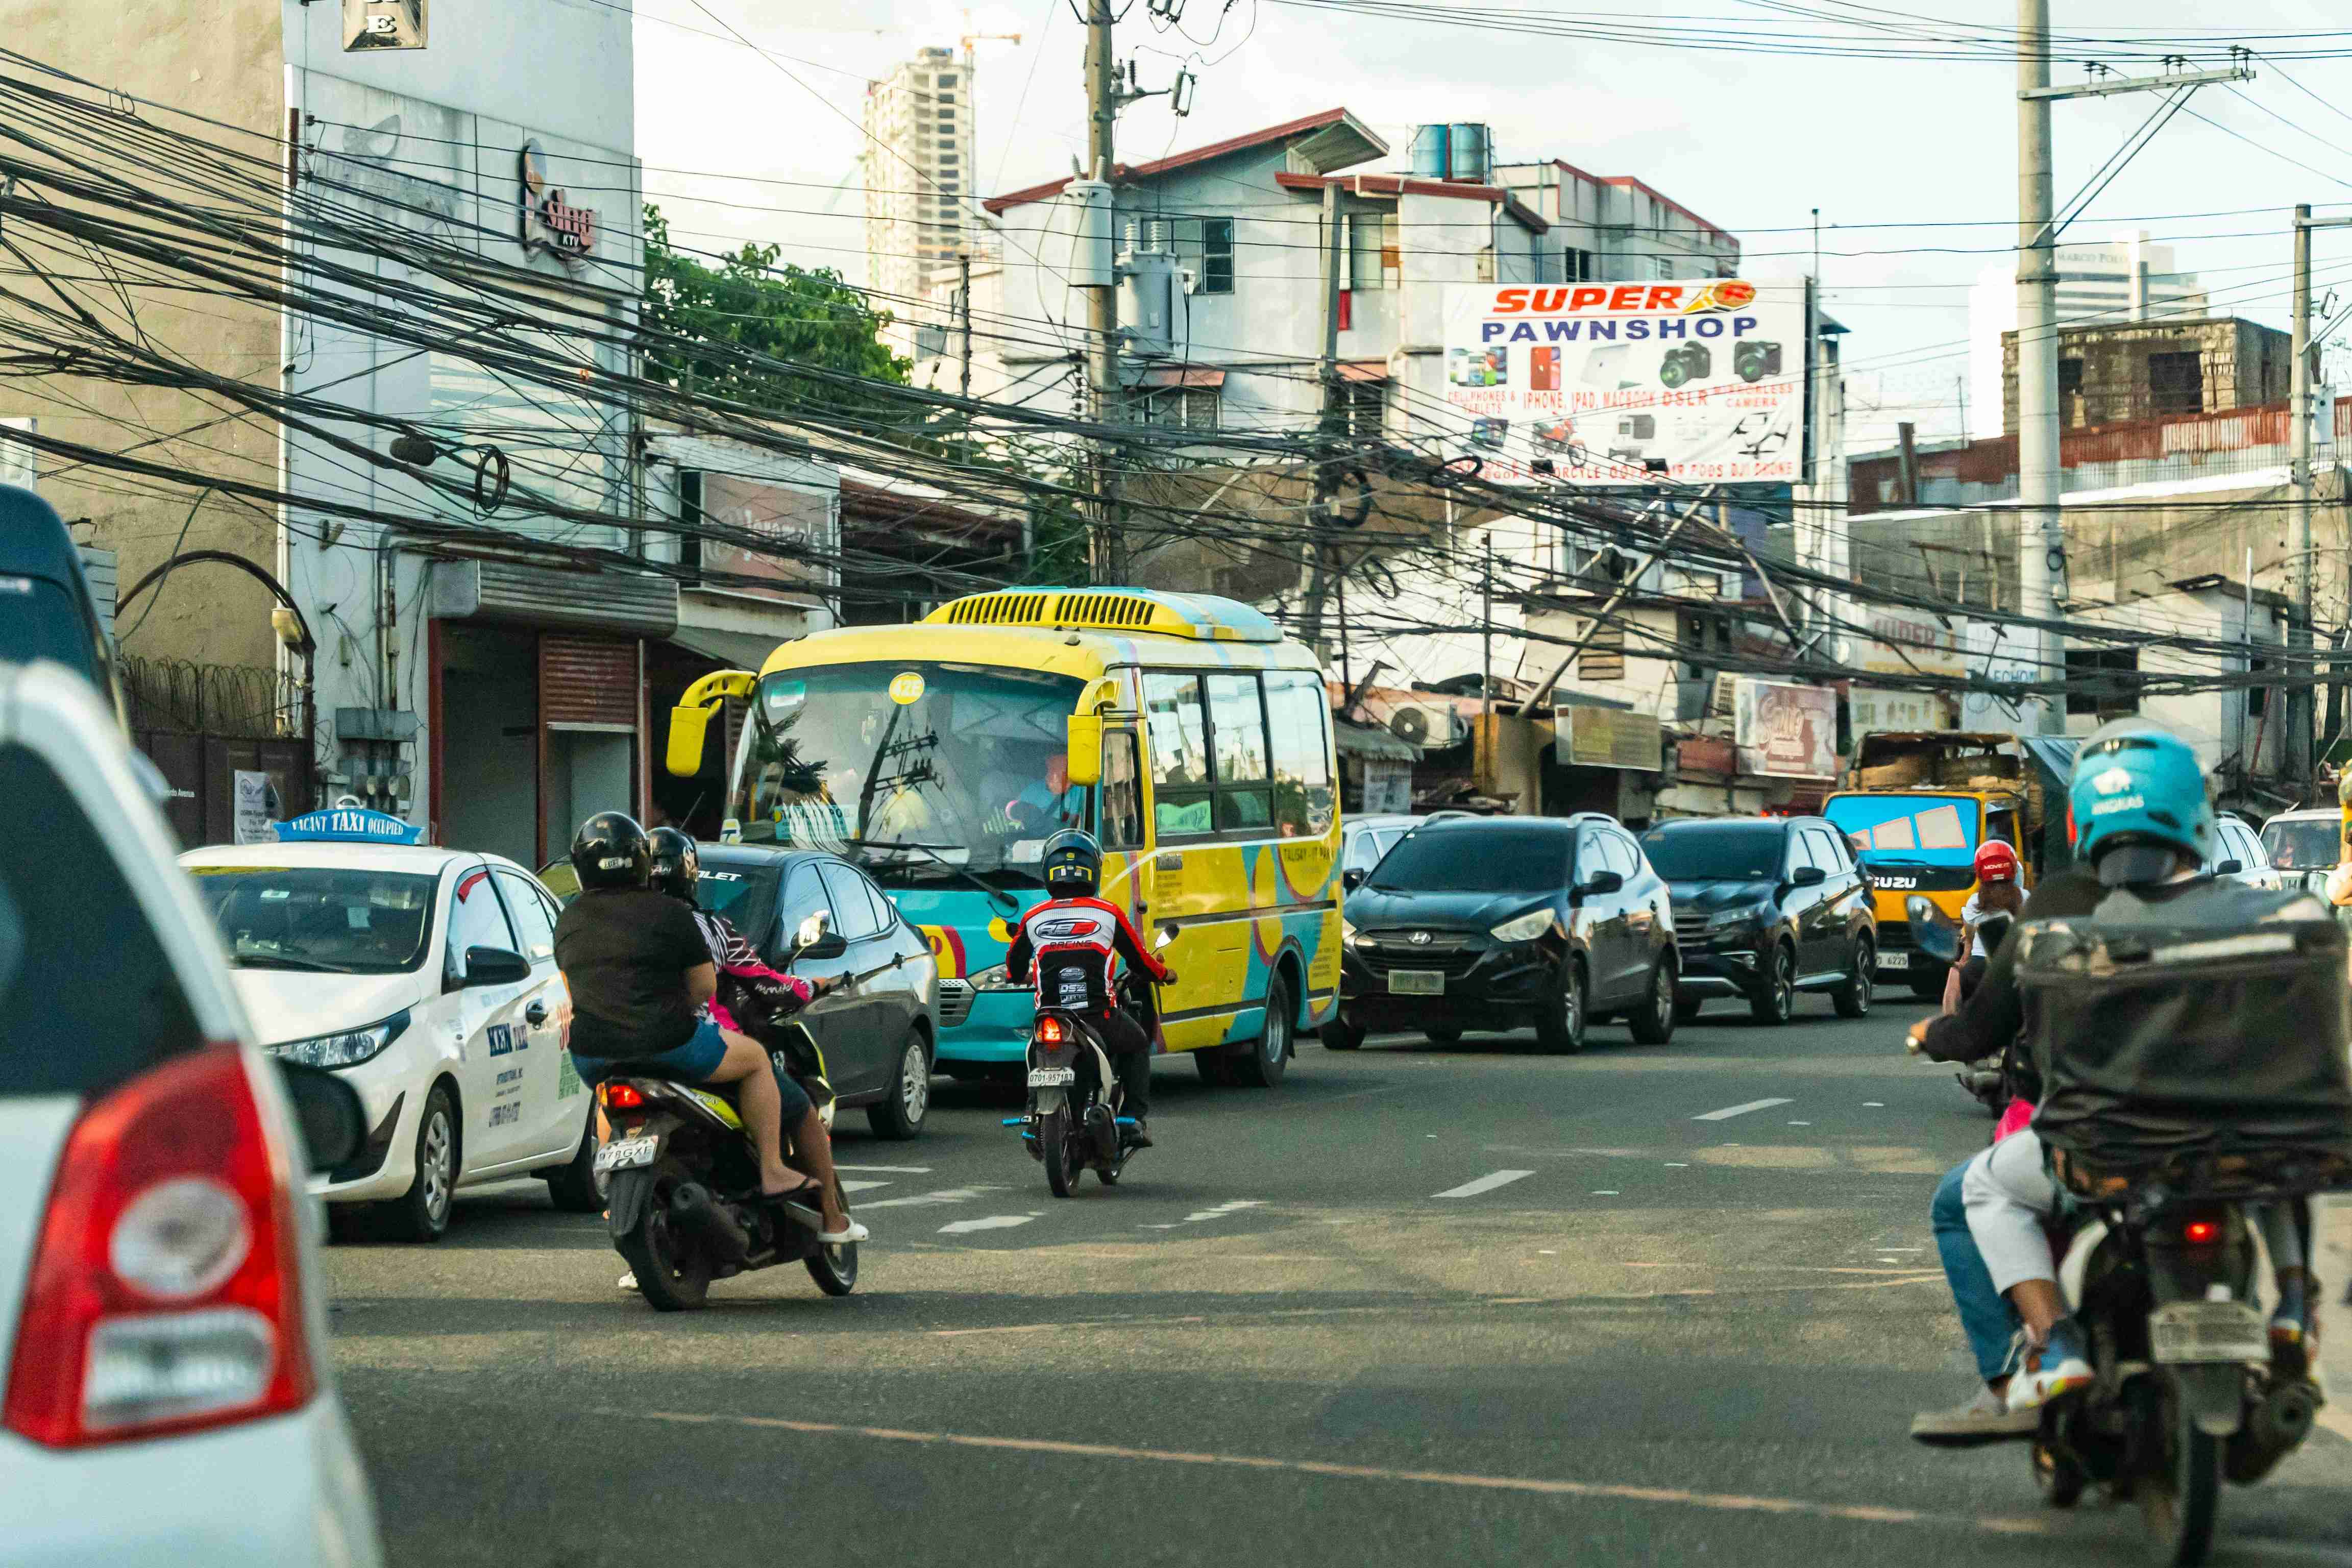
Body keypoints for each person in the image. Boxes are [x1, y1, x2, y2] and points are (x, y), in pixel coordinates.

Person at [1907, 721, 2317, 1443]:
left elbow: (1979, 1030)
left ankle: (2049, 1347)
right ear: (2197, 814)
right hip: (2229, 1145)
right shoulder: (2239, 907)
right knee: (2281, 1147)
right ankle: (2291, 1303)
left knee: (1975, 1192)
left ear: (2084, 817)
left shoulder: (2057, 904)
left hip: (2097, 1151)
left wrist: (1931, 1037)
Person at [553, 812, 865, 1245]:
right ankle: (773, 1171)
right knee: (756, 1061)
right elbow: (704, 988)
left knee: (612, 1093)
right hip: (669, 1043)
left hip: (592, 1054)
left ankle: (612, 1179)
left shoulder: (569, 919)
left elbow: (574, 990)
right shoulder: (675, 915)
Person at [1004, 828, 1174, 1148]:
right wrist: (1164, 973)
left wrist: (1021, 977)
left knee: (1034, 1051)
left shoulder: (1032, 917)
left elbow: (1014, 964)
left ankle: (1032, 1115)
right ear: (1094, 870)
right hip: (1098, 1017)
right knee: (1138, 1043)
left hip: (1051, 1018)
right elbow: (1140, 962)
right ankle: (1131, 1119)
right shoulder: (1109, 913)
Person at [1939, 838, 2025, 1013]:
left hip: (1980, 965)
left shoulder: (1975, 901)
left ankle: (1950, 1023)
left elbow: (1969, 937)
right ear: (2013, 869)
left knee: (1954, 973)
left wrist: (1966, 955)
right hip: (2014, 964)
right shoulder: (2026, 897)